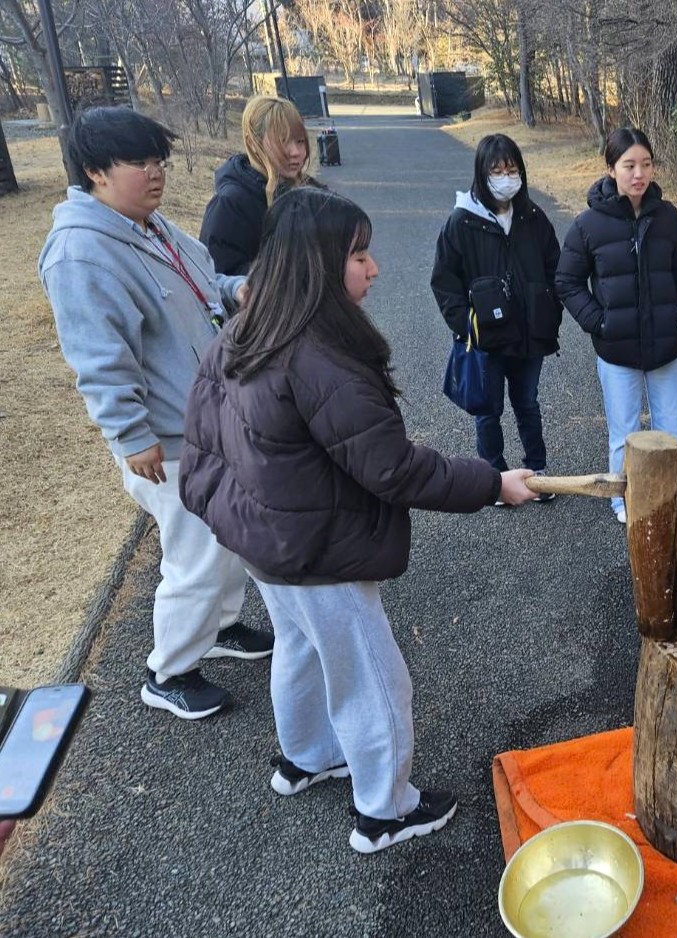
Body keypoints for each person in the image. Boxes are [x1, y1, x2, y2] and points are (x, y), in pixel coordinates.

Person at [180, 187, 538, 853]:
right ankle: (385, 810)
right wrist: (491, 483)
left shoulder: (242, 333)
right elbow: (393, 468)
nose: (373, 268)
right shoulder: (319, 356)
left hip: (265, 542)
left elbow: (200, 440)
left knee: (302, 648)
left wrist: (221, 513)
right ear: (316, 265)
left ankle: (306, 758)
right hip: (317, 553)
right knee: (371, 676)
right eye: (359, 255)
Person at [39, 106, 271, 721]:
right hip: (165, 439)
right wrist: (130, 436)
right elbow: (98, 358)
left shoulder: (149, 225)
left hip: (205, 419)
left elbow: (202, 282)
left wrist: (234, 289)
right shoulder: (82, 253)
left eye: (158, 159)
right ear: (94, 170)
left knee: (222, 538)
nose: (155, 171)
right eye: (138, 161)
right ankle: (168, 670)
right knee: (193, 554)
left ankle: (218, 629)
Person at [555, 128, 677, 524]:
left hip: (667, 347)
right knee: (624, 431)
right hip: (617, 350)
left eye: (646, 164)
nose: (639, 174)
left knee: (672, 429)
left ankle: (671, 494)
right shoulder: (588, 224)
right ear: (611, 169)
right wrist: (599, 322)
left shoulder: (667, 217)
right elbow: (566, 281)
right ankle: (622, 498)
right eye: (629, 165)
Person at [431, 134, 562, 500]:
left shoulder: (533, 217)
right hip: (486, 340)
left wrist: (550, 310)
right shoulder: (462, 222)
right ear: (482, 173)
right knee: (488, 410)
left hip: (529, 335)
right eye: (497, 170)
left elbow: (556, 267)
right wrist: (467, 325)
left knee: (528, 405)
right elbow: (443, 282)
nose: (506, 177)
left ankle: (538, 473)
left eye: (512, 169)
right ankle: (496, 477)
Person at [200, 95, 318, 275]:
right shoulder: (231, 204)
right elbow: (218, 280)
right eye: (283, 141)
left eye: (300, 141)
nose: (295, 152)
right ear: (253, 142)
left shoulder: (310, 190)